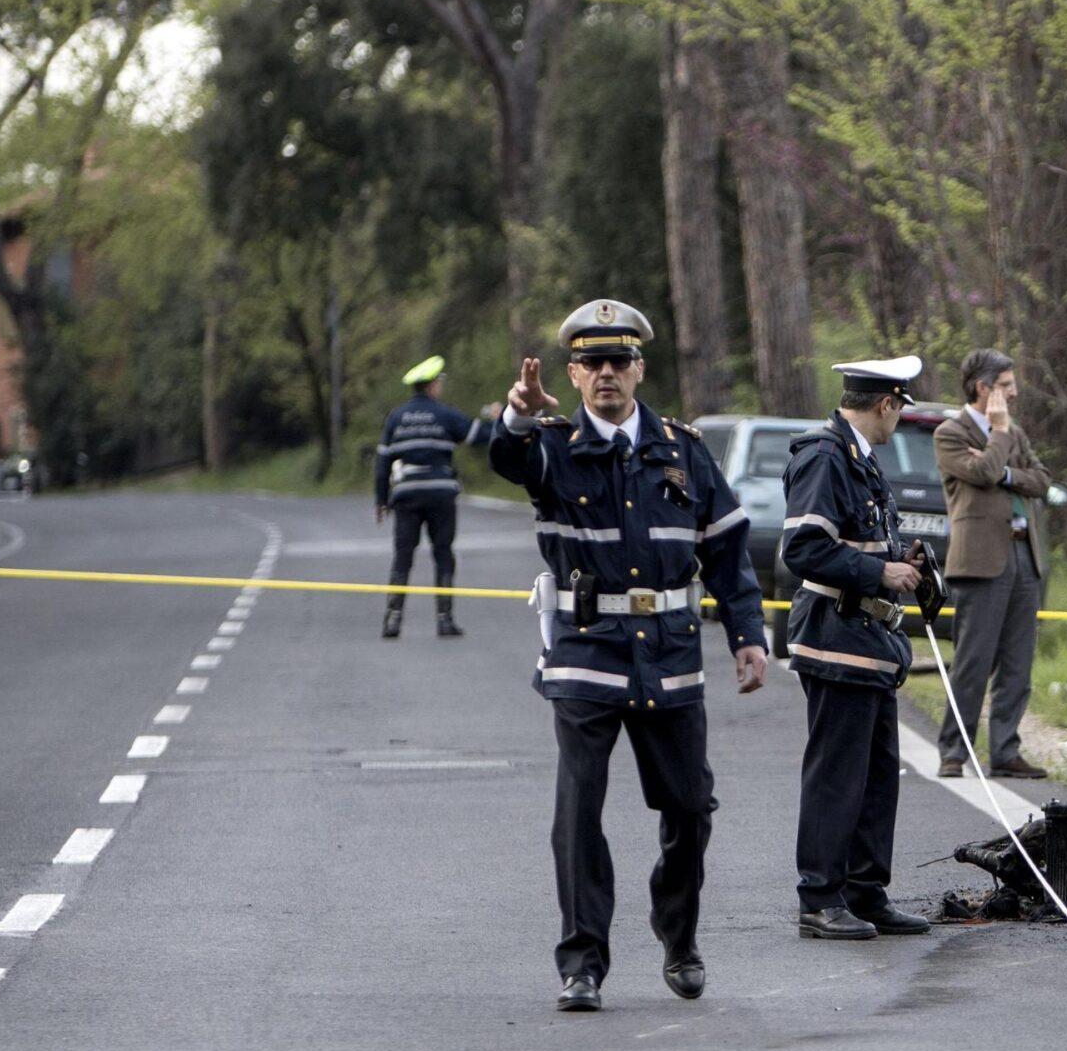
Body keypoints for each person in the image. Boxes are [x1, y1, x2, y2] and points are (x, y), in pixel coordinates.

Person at [488, 300, 771, 1014]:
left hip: (670, 655)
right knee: (579, 810)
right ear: (574, 376)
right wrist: (518, 415)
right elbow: (505, 457)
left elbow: (729, 549)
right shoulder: (550, 446)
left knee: (690, 807)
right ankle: (582, 960)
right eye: (592, 363)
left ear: (640, 368)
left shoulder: (684, 449)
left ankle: (677, 935)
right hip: (586, 655)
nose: (607, 373)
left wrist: (748, 635)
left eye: (619, 361)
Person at [785, 355, 935, 942]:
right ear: (886, 403)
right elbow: (803, 549)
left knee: (876, 775)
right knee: (836, 775)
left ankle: (865, 892)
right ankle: (820, 898)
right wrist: (880, 574)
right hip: (835, 636)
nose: (899, 418)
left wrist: (909, 566)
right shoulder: (824, 456)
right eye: (900, 407)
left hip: (870, 641)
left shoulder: (860, 459)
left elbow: (865, 537)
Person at [932, 348, 1054, 780]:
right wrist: (999, 438)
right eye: (1005, 386)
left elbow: (1040, 480)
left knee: (1018, 663)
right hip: (980, 560)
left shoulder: (1015, 434)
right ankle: (954, 751)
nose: (1014, 393)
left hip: (1023, 553)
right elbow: (982, 472)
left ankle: (1005, 750)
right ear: (982, 388)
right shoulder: (950, 432)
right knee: (973, 661)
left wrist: (1005, 470)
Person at [374, 354, 496, 639]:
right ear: (432, 386)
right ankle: (444, 619)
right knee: (443, 553)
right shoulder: (446, 414)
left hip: (406, 495)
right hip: (441, 493)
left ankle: (393, 620)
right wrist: (501, 419)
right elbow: (479, 436)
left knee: (403, 556)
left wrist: (381, 500)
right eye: (439, 382)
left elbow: (382, 463)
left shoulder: (396, 417)